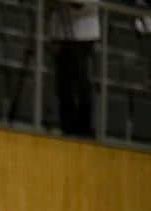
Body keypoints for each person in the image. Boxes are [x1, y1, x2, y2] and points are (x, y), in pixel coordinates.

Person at [50, 1, 99, 137]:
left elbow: (80, 4)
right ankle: (67, 126)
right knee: (63, 82)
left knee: (80, 80)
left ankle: (84, 127)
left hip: (84, 31)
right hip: (61, 29)